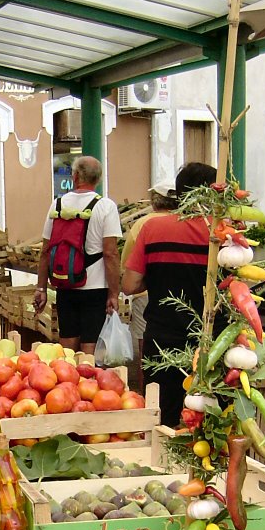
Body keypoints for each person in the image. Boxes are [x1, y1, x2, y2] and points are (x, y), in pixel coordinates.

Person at [122, 162, 217, 426]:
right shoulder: (222, 234)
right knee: (208, 424)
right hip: (211, 342)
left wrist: (157, 276)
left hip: (163, 340)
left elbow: (129, 285)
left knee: (162, 418)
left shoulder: (153, 229)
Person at [34, 155, 121, 356]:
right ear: (98, 179)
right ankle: (88, 383)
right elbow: (110, 253)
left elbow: (45, 251)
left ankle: (68, 383)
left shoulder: (57, 205)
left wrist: (41, 287)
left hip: (65, 283)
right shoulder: (106, 206)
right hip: (95, 287)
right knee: (90, 347)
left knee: (67, 346)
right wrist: (114, 293)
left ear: (74, 176)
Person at [120, 181, 179, 387]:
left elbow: (129, 276)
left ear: (155, 202)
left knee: (149, 354)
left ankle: (149, 398)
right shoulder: (191, 223)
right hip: (185, 300)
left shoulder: (143, 225)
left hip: (147, 298)